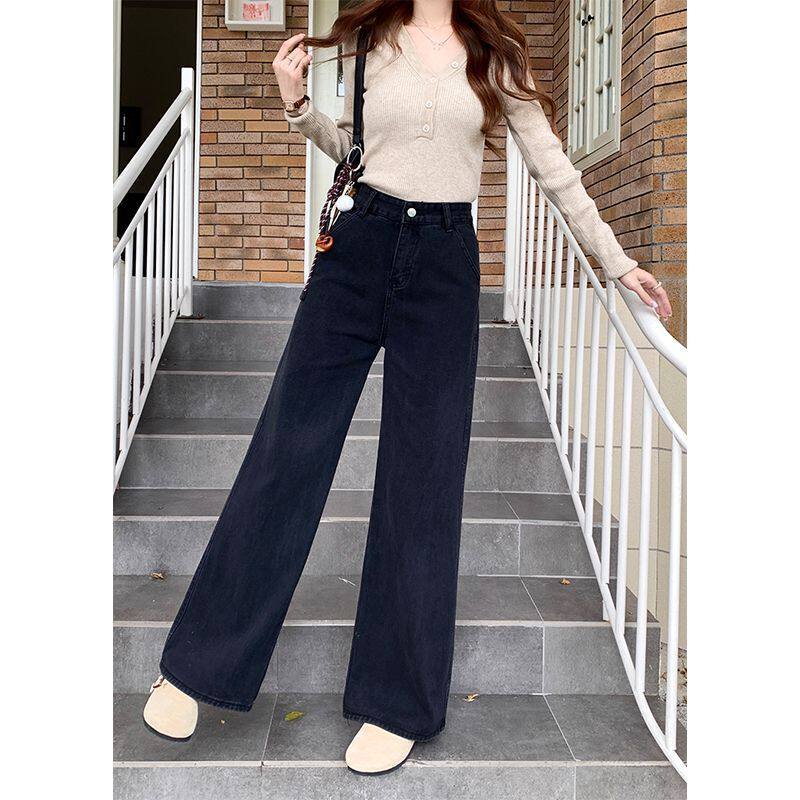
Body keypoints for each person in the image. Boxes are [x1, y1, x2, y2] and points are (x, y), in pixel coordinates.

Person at [142, 0, 672, 776]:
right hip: (357, 248)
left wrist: (617, 262)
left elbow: (553, 165)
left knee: (423, 477)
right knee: (287, 451)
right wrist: (297, 107)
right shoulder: (369, 39)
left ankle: (397, 701)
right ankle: (197, 667)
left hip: (445, 264)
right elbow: (354, 149)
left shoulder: (495, 54)